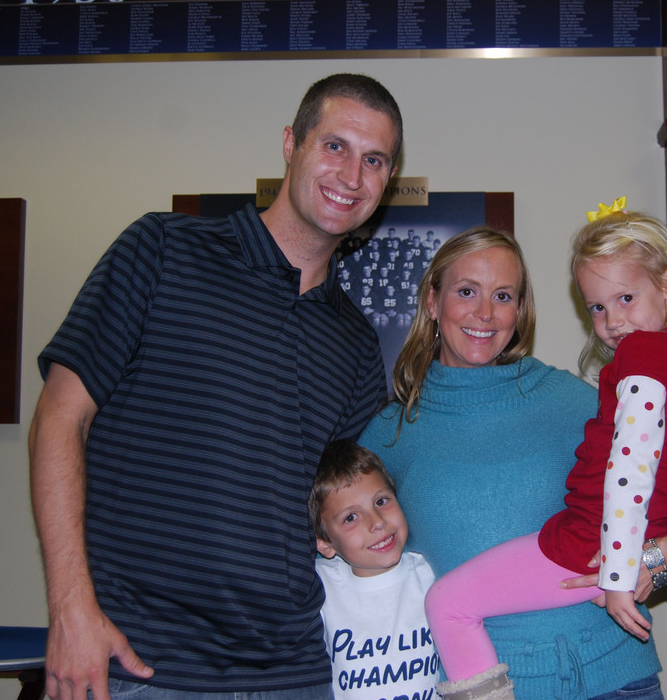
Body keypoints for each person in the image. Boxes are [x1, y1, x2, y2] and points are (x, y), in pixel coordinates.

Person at [28, 73, 403, 700]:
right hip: (140, 664)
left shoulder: (355, 342)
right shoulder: (162, 249)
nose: (352, 175)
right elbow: (58, 420)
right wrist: (70, 609)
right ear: (291, 144)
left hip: (295, 674)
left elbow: (359, 501)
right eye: (334, 146)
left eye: (374, 160)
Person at [357, 225, 667, 700]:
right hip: (497, 685)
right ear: (433, 302)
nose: (485, 313)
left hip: (617, 678)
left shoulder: (573, 398)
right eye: (467, 291)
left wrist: (658, 555)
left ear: (520, 310)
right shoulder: (389, 435)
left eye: (504, 295)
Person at [308, 439, 438, 699]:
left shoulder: (429, 574)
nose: (377, 522)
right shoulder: (321, 585)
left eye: (381, 501)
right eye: (350, 517)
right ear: (324, 542)